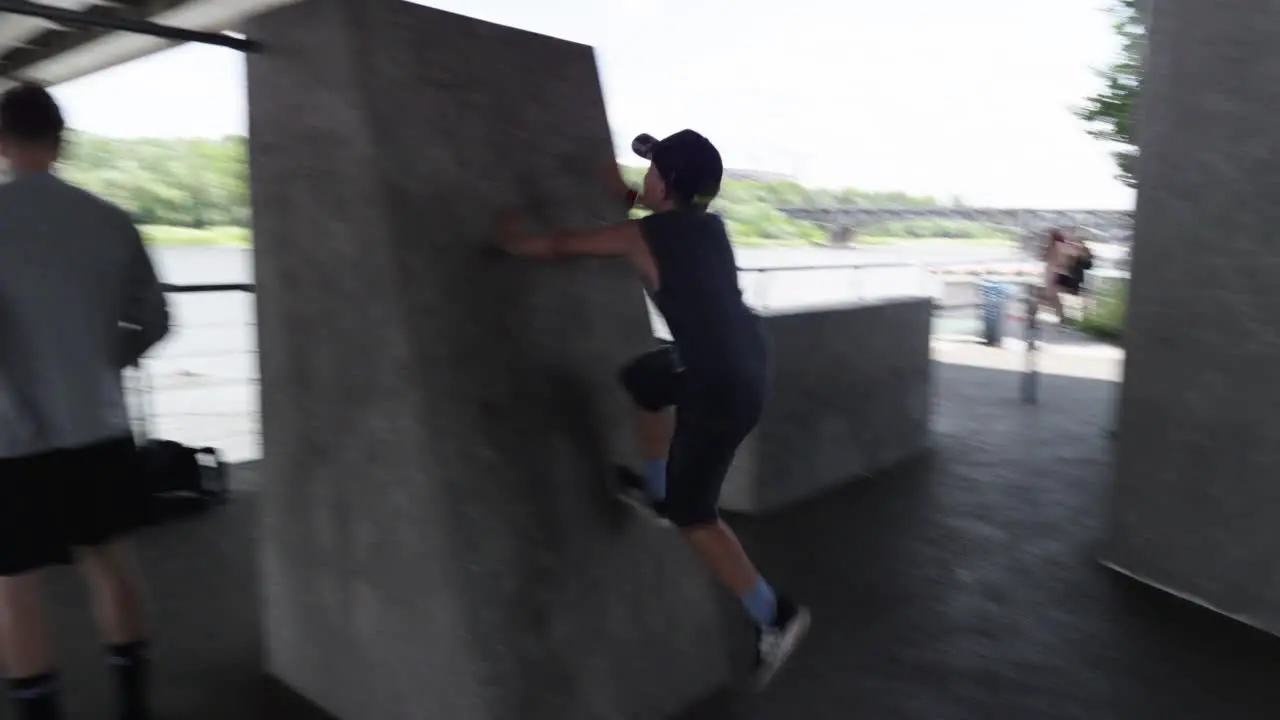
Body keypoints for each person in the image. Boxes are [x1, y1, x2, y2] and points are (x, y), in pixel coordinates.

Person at [496, 129, 810, 688]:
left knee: (697, 516)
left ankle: (773, 614)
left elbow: (565, 246)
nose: (645, 177)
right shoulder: (707, 226)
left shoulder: (643, 237)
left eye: (652, 170)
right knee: (644, 378)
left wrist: (516, 241)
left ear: (664, 183)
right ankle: (656, 488)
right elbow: (651, 222)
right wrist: (623, 193)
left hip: (719, 383)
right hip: (736, 358)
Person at [0, 83, 169, 720]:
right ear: (60, 141)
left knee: (15, 587)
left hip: (12, 436)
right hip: (96, 422)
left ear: (1, 142)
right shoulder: (110, 219)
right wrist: (102, 363)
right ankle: (133, 705)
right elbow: (153, 320)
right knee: (112, 562)